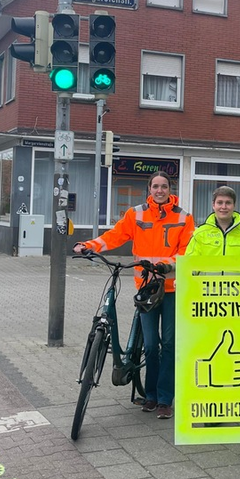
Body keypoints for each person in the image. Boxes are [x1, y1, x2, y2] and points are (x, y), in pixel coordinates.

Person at [73, 171, 194, 420]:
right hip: (146, 290)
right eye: (155, 186)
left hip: (172, 289)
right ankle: (149, 396)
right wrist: (89, 246)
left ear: (170, 190)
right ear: (149, 189)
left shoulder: (184, 217)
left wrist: (165, 265)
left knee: (169, 345)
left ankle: (165, 400)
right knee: (150, 346)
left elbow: (187, 252)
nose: (160, 190)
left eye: (164, 186)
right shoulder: (136, 214)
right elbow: (115, 236)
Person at [185, 186, 240, 257]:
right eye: (220, 203)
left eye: (228, 203)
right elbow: (189, 266)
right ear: (213, 205)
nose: (224, 207)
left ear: (234, 205)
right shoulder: (200, 233)